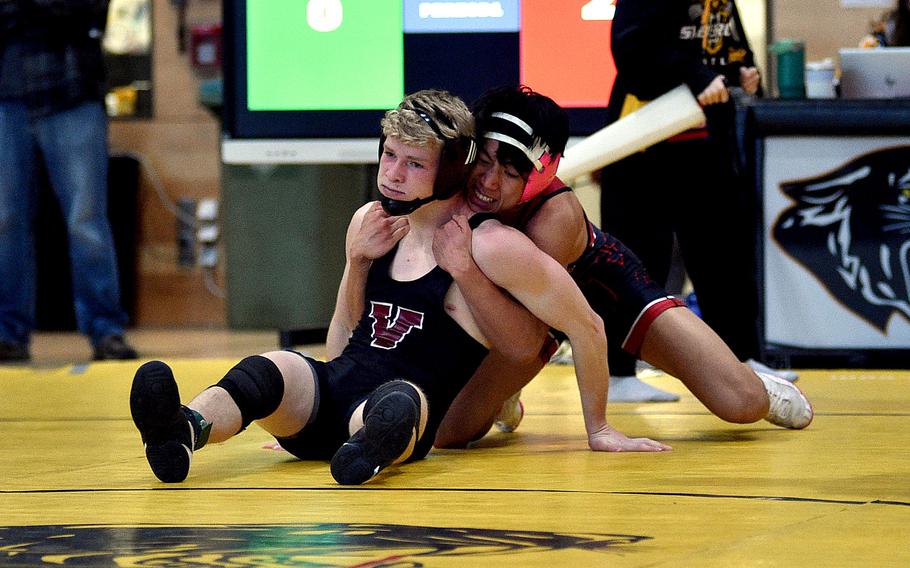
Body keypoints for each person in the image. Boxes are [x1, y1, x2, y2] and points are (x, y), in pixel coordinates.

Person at [129, 89, 670, 488]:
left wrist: (598, 427)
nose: (392, 174)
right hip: (334, 392)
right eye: (389, 155)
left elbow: (586, 324)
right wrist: (356, 263)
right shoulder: (371, 221)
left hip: (400, 413)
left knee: (396, 403)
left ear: (453, 173)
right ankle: (185, 428)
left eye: (413, 164)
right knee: (271, 368)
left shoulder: (489, 245)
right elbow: (343, 334)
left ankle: (368, 451)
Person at [433, 85, 813, 448]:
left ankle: (760, 388)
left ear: (542, 174)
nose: (487, 181)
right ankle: (505, 398)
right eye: (482, 162)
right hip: (531, 306)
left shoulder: (554, 218)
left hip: (604, 290)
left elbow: (527, 337)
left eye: (510, 173)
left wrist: (595, 426)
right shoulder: (455, 181)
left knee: (739, 403)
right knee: (449, 433)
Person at [596, 0, 783, 393]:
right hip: (644, 142)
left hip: (704, 142)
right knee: (637, 257)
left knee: (724, 255)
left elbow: (727, 46)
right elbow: (631, 50)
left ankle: (741, 358)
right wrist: (696, 76)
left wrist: (743, 72)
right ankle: (618, 374)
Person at [0, 0, 138, 362]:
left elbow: (90, 10)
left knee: (86, 221)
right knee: (5, 222)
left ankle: (106, 329)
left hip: (73, 91)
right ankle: (7, 334)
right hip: (6, 94)